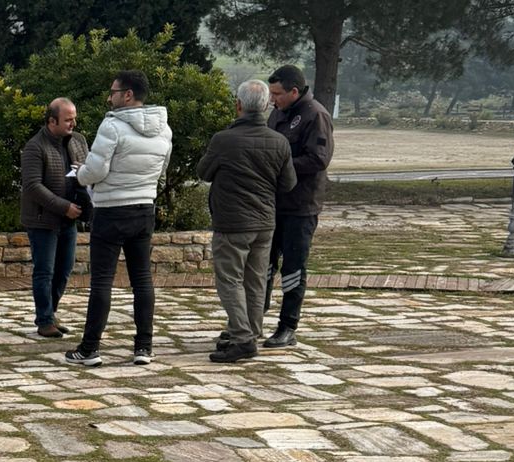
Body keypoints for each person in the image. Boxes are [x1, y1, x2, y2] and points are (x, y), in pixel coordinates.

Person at [64, 70, 173, 368]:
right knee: (142, 280)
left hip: (111, 210)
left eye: (113, 92)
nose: (109, 97)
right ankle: (144, 347)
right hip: (144, 209)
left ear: (127, 95)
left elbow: (96, 171)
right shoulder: (165, 129)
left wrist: (80, 175)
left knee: (102, 281)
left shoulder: (112, 126)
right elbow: (162, 169)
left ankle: (90, 349)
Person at [196, 80, 296, 364]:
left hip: (232, 221)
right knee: (255, 281)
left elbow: (204, 172)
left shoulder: (223, 140)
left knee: (229, 280)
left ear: (238, 105)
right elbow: (289, 183)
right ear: (266, 106)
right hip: (265, 221)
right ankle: (250, 331)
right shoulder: (279, 142)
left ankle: (241, 338)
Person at [264, 63, 334, 349]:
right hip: (272, 203)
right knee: (263, 265)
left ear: (294, 91)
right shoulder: (278, 113)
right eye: (270, 94)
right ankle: (252, 321)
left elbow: (318, 159)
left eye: (277, 94)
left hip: (300, 205)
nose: (273, 100)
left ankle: (287, 326)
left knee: (293, 268)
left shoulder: (315, 115)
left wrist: (281, 167)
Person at [20, 97, 90, 339]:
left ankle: (51, 312)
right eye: (68, 119)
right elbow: (32, 186)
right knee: (45, 271)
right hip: (43, 220)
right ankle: (44, 319)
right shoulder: (34, 147)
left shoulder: (78, 141)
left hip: (70, 219)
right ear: (52, 121)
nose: (73, 123)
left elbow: (87, 171)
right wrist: (63, 207)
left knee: (64, 270)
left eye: (74, 119)